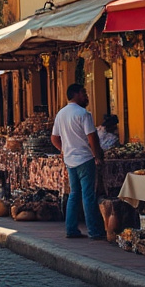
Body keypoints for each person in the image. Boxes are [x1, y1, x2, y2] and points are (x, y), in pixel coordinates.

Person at [51, 82, 105, 240]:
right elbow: (92, 137)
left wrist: (64, 150)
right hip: (85, 159)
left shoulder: (61, 114)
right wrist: (97, 156)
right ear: (75, 94)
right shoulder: (84, 114)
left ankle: (71, 229)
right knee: (88, 195)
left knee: (74, 194)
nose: (86, 96)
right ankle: (94, 231)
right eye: (83, 93)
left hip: (70, 161)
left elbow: (54, 138)